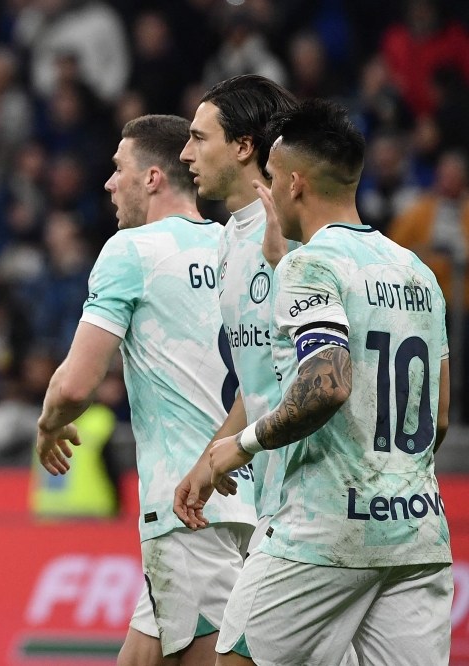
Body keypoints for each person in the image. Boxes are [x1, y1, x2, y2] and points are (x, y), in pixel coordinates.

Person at [205, 99, 452, 666]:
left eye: (268, 178)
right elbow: (437, 417)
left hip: (321, 533)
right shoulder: (416, 271)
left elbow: (328, 383)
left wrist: (237, 447)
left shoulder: (310, 264)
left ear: (293, 183)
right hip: (416, 534)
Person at [35, 115, 256, 666]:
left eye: (117, 170)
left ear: (153, 177)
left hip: (187, 505)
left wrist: (48, 423)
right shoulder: (241, 247)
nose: (108, 184)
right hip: (251, 494)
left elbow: (76, 384)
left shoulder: (132, 250)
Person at [175, 75, 298, 561]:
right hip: (275, 497)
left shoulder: (296, 233)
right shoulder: (227, 240)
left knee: (236, 641)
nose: (186, 154)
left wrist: (237, 448)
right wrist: (210, 459)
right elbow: (263, 376)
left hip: (314, 499)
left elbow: (320, 370)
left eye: (199, 138)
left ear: (244, 146)